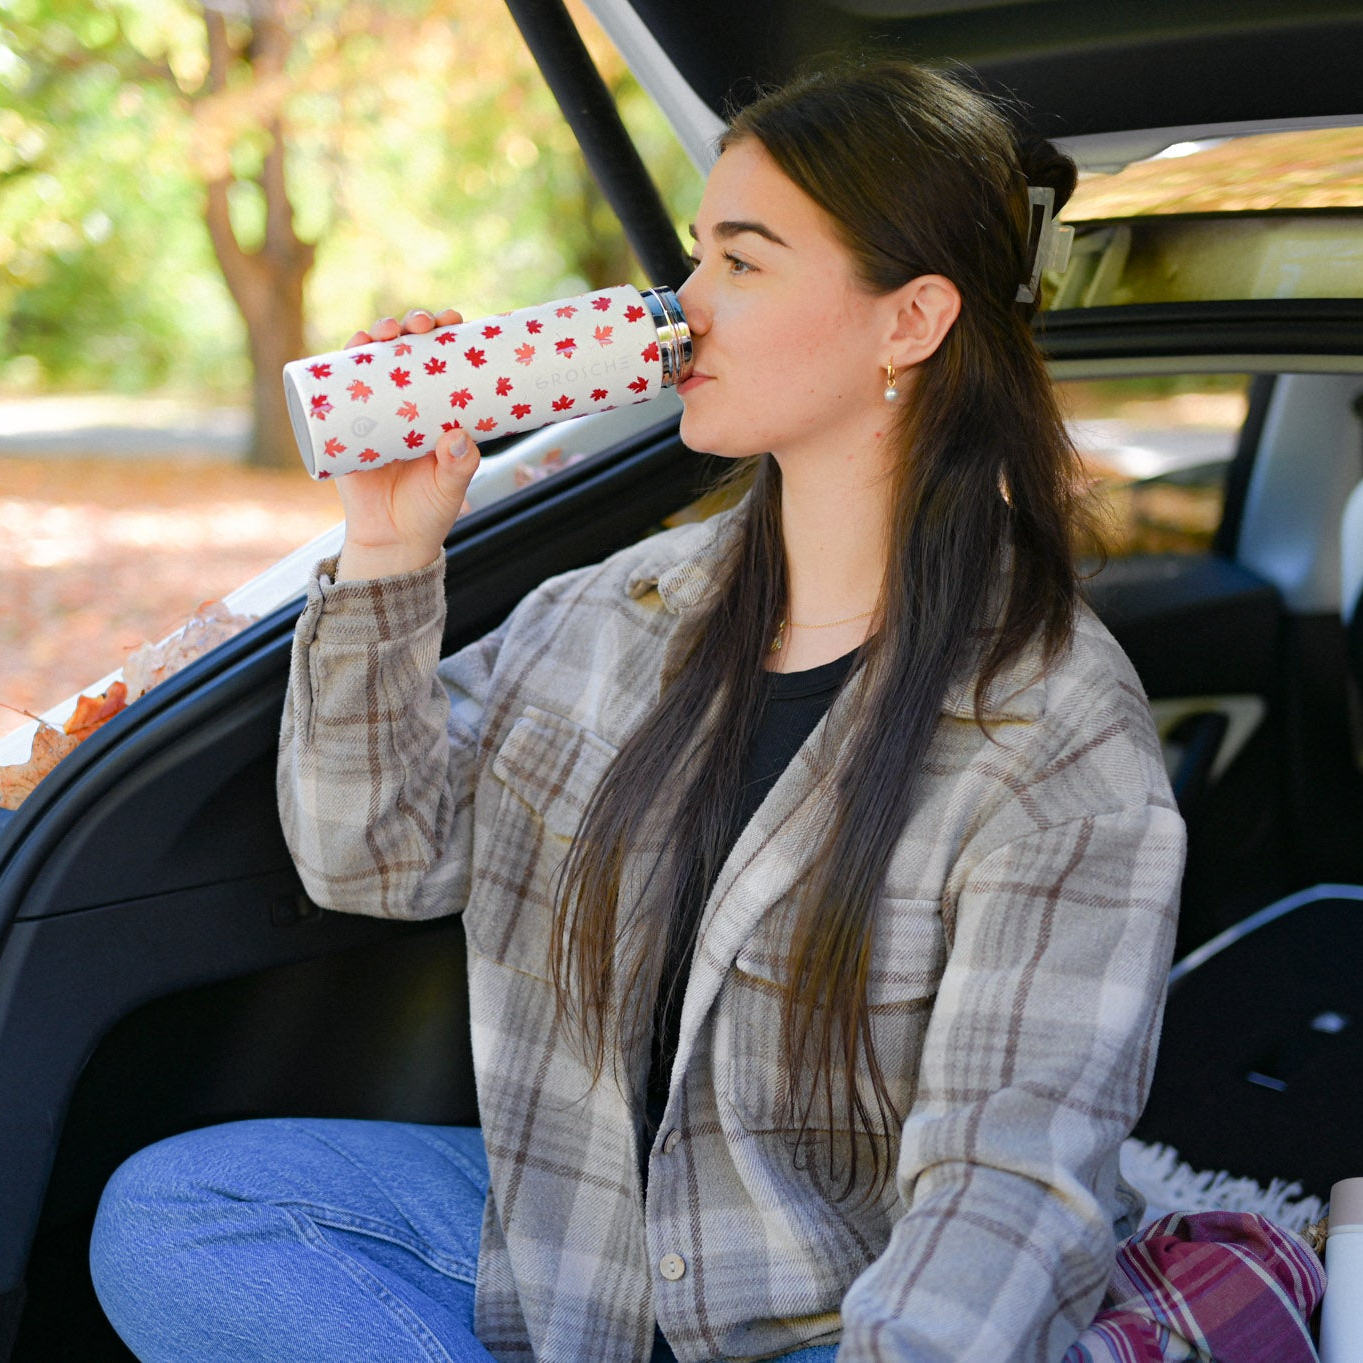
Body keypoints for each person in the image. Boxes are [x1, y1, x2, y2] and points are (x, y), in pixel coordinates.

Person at [90, 56, 1185, 1363]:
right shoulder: (617, 612)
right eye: (694, 257)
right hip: (579, 1259)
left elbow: (1005, 1199)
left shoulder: (1053, 732)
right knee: (180, 1212)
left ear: (910, 320)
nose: (681, 307)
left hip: (832, 1316)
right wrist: (389, 547)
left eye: (743, 260)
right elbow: (373, 856)